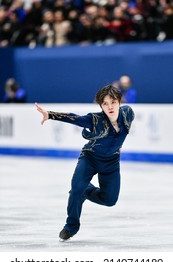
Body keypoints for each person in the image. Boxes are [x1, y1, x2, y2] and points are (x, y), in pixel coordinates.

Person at [35, 84, 135, 241]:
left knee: (110, 200)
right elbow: (75, 118)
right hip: (90, 158)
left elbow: (120, 133)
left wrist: (117, 146)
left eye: (113, 102)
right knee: (75, 189)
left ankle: (85, 191)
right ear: (101, 105)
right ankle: (71, 226)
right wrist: (50, 115)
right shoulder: (95, 120)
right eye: (105, 103)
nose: (110, 107)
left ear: (119, 102)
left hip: (111, 162)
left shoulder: (128, 113)